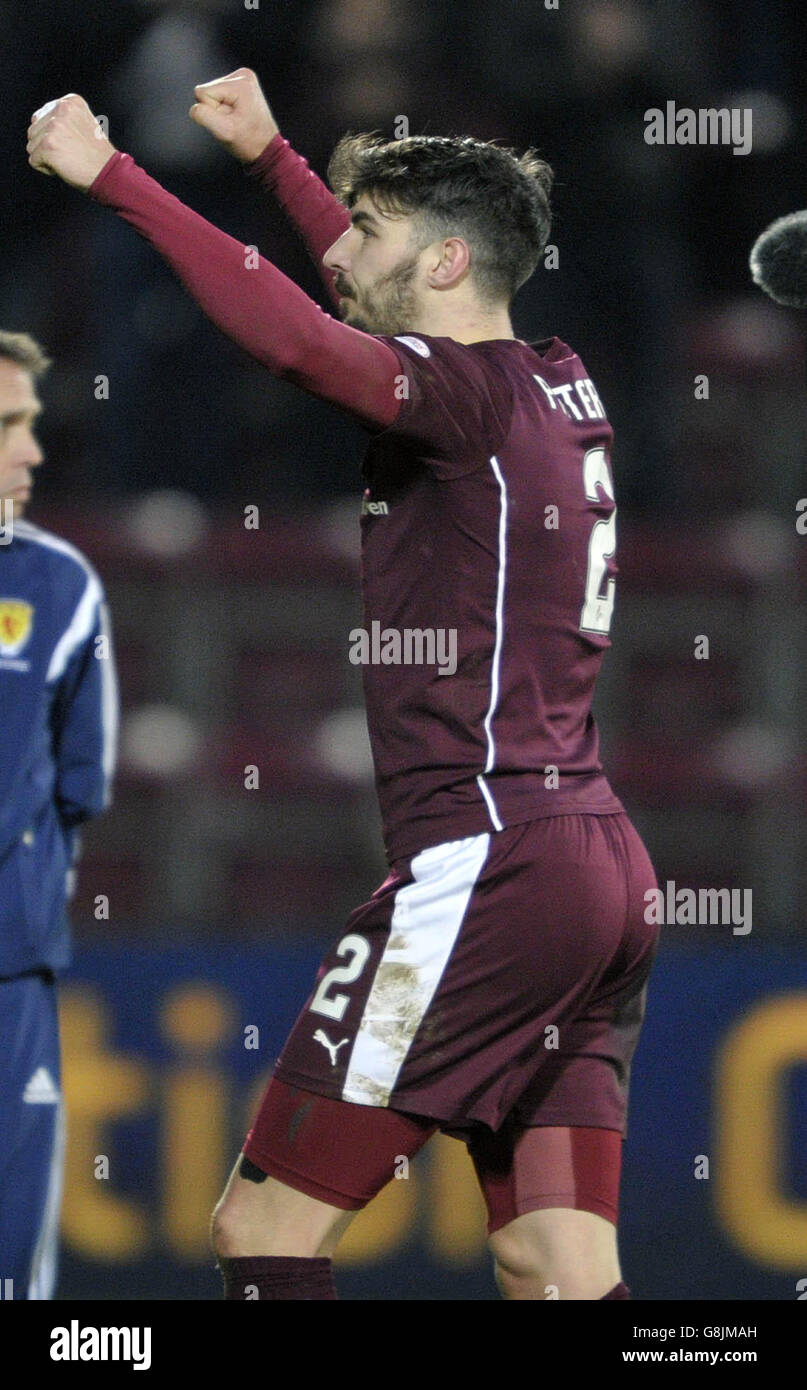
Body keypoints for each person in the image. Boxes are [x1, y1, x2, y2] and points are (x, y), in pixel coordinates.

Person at [27, 72, 659, 1301]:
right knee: (557, 1266)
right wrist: (276, 163)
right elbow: (365, 290)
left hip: (489, 866)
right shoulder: (553, 381)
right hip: (597, 870)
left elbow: (298, 336)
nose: (342, 251)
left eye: (370, 231)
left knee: (264, 1236)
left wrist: (116, 177)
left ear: (446, 262)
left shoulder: (462, 402)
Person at [0, 330, 118, 1299]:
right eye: (7, 427)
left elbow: (82, 784)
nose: (32, 452)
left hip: (12, 984)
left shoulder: (60, 587)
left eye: (31, 426)